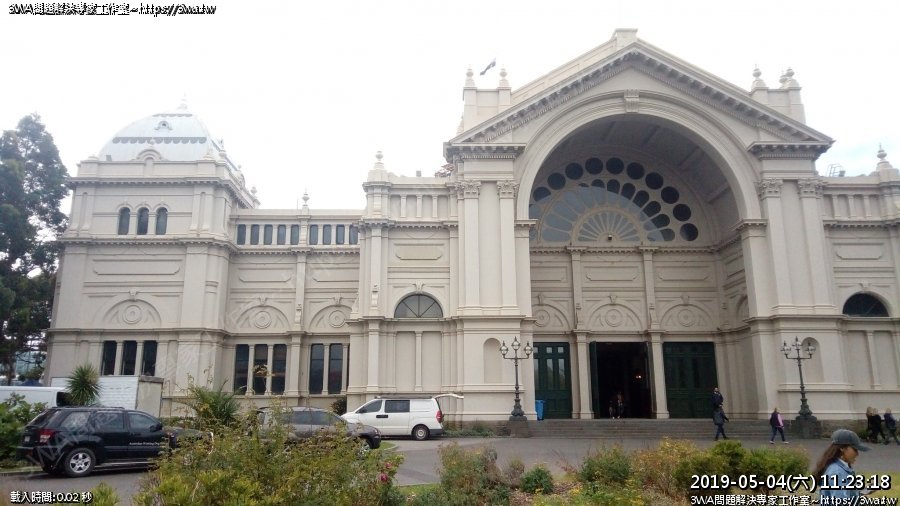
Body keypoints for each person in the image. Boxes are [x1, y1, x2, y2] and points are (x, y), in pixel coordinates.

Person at [813, 428, 870, 501]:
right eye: (855, 449)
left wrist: (863, 491)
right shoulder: (837, 472)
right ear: (842, 448)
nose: (857, 454)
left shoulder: (837, 468)